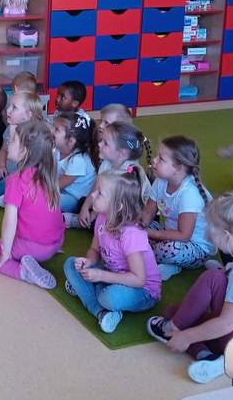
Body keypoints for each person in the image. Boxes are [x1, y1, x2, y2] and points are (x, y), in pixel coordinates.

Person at [145, 193, 233, 384]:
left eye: (211, 233)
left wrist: (187, 337)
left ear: (228, 237)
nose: (209, 237)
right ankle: (207, 356)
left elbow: (226, 324)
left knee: (210, 280)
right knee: (178, 311)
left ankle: (184, 335)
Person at [63, 171, 161, 333]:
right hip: (113, 275)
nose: (93, 195)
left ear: (118, 205)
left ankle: (90, 293)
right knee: (71, 264)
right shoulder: (102, 217)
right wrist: (88, 262)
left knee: (109, 297)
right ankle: (101, 312)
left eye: (99, 193)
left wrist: (101, 276)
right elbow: (94, 249)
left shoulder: (131, 233)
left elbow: (139, 280)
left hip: (143, 291)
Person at [0, 120, 63, 289]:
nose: (8, 144)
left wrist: (5, 253)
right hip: (55, 243)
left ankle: (24, 273)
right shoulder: (47, 174)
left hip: (34, 247)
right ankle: (32, 258)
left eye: (12, 141)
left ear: (24, 151)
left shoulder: (16, 180)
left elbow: (9, 221)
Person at [142, 136, 214, 280]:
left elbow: (184, 236)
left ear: (178, 167)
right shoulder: (161, 181)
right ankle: (150, 255)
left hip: (195, 247)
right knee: (133, 229)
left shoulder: (189, 193)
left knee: (170, 249)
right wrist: (137, 227)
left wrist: (148, 234)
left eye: (161, 159)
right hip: (169, 233)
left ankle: (165, 262)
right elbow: (147, 214)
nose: (154, 160)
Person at [70, 121, 152, 229]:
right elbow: (96, 190)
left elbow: (119, 205)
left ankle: (88, 223)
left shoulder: (127, 172)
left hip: (130, 213)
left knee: (104, 220)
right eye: (102, 140)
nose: (99, 144)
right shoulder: (106, 164)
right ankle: (89, 221)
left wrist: (94, 214)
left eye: (105, 143)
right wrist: (84, 208)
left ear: (121, 153)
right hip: (111, 203)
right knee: (82, 202)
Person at [52, 112, 97, 215]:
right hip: (63, 191)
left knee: (47, 200)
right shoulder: (57, 151)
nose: (52, 131)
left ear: (71, 141)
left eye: (56, 129)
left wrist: (39, 188)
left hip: (76, 198)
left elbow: (59, 184)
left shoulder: (78, 160)